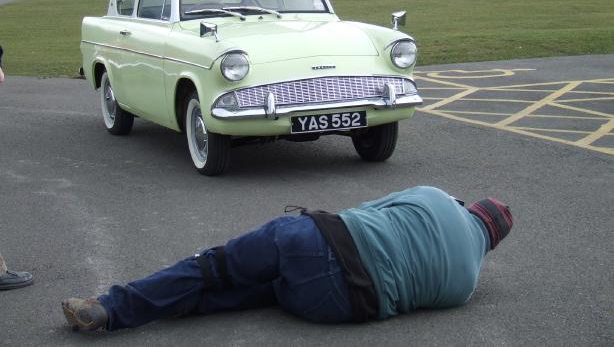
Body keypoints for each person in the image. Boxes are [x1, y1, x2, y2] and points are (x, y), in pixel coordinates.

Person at [62, 186, 513, 332]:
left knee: (214, 267)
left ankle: (111, 308)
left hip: (317, 245)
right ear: (491, 244)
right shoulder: (467, 285)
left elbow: (364, 212)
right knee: (250, 293)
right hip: (335, 306)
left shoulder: (436, 198)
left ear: (469, 207)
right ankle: (179, 306)